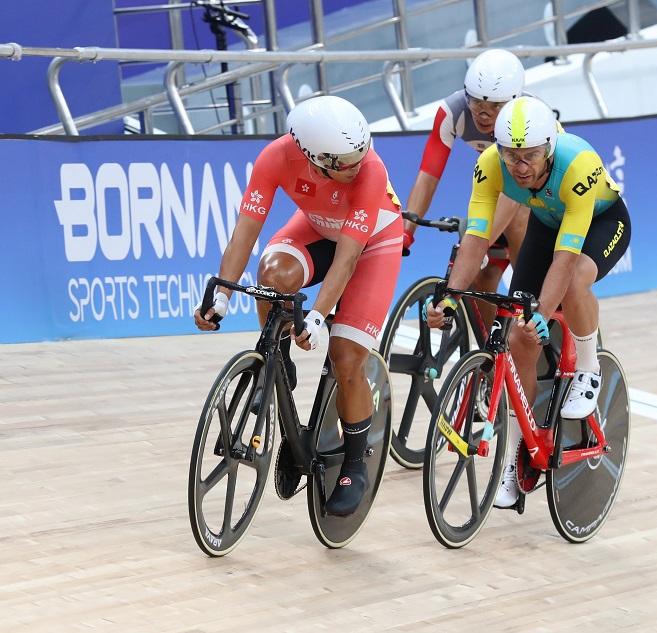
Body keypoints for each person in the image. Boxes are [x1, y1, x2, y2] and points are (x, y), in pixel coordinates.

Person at [193, 95, 404, 517]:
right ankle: (278, 358)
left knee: (346, 358)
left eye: (358, 157)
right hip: (317, 227)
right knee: (272, 274)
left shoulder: (370, 169)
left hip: (372, 243)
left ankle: (355, 460)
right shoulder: (275, 157)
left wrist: (319, 317)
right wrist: (221, 295)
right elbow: (245, 235)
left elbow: (347, 260)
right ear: (311, 155)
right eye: (344, 163)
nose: (355, 167)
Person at [424, 96, 631, 508]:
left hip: (600, 224)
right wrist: (449, 298)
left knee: (571, 285)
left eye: (530, 156)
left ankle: (588, 368)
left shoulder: (576, 164)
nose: (520, 166)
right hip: (546, 223)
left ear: (549, 150)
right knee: (519, 338)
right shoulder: (490, 168)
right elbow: (476, 240)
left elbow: (566, 258)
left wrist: (540, 314)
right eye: (511, 156)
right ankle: (515, 458)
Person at [404, 48, 530, 325]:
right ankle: (491, 354)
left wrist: (475, 245)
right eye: (476, 104)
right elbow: (428, 175)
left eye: (495, 107)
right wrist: (407, 231)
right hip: (498, 188)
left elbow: (515, 195)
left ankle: (528, 295)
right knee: (478, 277)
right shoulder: (453, 111)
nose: (484, 115)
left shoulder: (529, 117)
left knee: (518, 216)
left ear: (512, 102)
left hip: (535, 197)